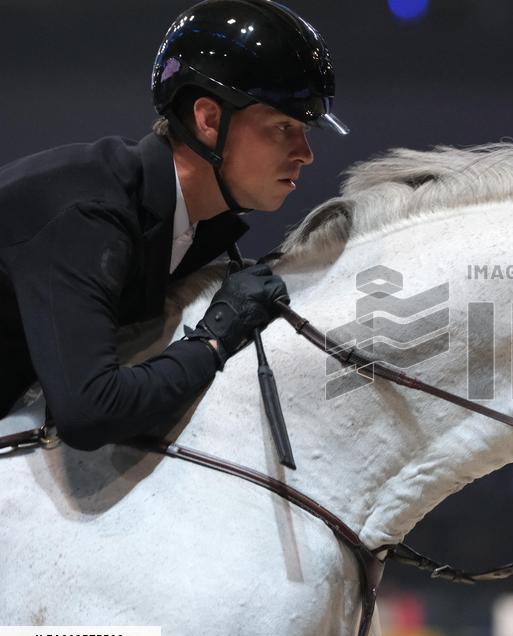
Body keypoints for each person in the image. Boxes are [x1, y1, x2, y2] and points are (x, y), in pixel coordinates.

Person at [0, 0, 348, 450]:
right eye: (284, 127)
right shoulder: (90, 215)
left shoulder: (183, 225)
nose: (306, 153)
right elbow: (89, 412)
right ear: (208, 120)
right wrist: (214, 340)